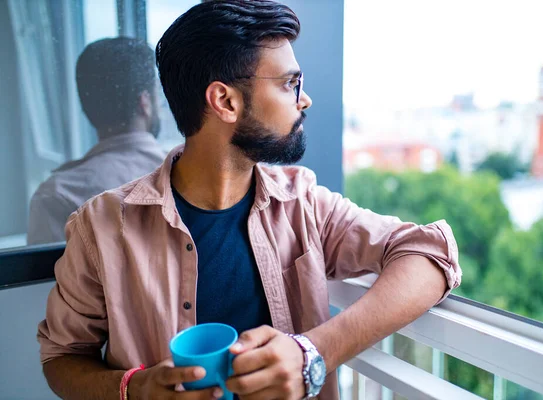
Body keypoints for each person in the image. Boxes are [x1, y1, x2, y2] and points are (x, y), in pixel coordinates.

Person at [37, 1, 462, 399]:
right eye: (290, 84)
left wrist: (311, 352)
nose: (305, 99)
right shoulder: (102, 227)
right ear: (225, 101)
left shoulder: (304, 204)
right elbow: (61, 358)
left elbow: (430, 255)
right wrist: (137, 389)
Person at [27, 37, 166, 245]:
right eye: (158, 96)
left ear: (87, 107)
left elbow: (49, 277)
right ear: (144, 102)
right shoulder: (195, 175)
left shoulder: (56, 196)